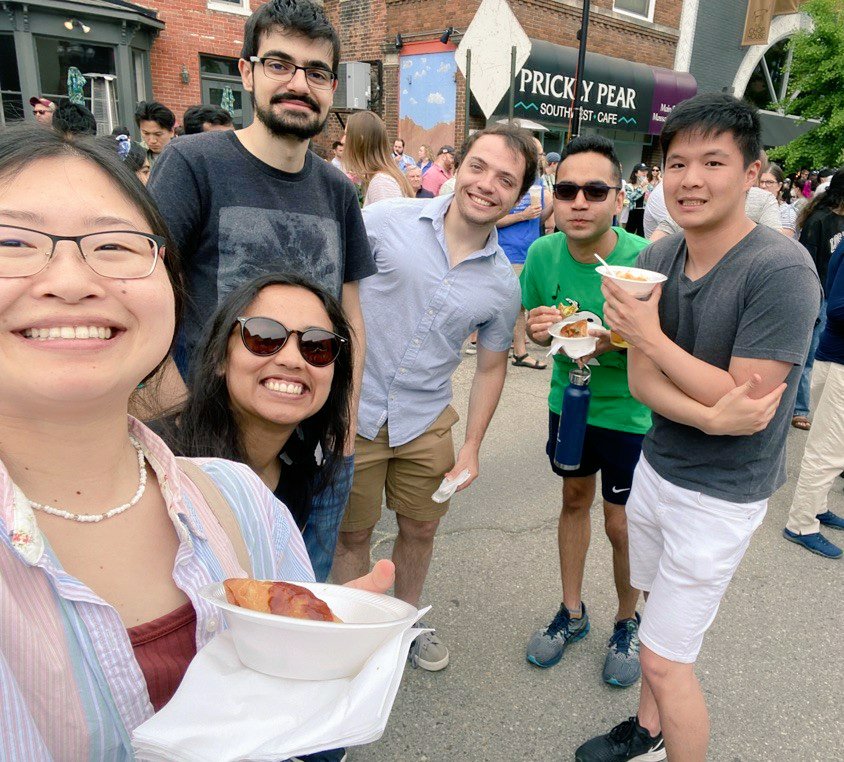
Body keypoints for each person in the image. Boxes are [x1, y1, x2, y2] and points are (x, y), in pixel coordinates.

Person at [0, 124, 394, 760]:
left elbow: (278, 710)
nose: (70, 280)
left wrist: (319, 660)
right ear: (216, 350)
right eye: (12, 242)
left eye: (115, 245)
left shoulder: (243, 501)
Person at [575, 93, 820, 762]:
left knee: (663, 661)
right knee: (652, 610)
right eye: (677, 163)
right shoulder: (659, 258)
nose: (690, 179)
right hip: (657, 467)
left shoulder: (780, 270)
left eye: (713, 162)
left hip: (721, 495)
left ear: (752, 173)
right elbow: (645, 383)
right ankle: (647, 733)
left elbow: (751, 403)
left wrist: (651, 336)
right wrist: (710, 413)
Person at [148, 0, 376, 583]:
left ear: (331, 88)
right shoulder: (192, 164)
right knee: (210, 602)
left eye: (316, 71)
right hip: (205, 449)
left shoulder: (336, 190)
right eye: (280, 64)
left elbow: (349, 314)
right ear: (247, 73)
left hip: (314, 449)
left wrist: (344, 425)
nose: (299, 84)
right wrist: (181, 426)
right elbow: (145, 294)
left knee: (300, 593)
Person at [332, 123, 531, 671]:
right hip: (353, 413)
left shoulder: (502, 284)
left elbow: (491, 366)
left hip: (425, 419)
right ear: (456, 167)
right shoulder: (383, 221)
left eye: (506, 180)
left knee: (420, 528)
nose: (487, 185)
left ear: (519, 195)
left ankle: (405, 621)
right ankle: (353, 634)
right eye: (478, 167)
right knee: (352, 534)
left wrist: (472, 446)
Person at [522, 135, 651, 687]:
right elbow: (536, 326)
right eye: (567, 189)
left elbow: (666, 343)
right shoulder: (541, 254)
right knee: (573, 500)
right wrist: (536, 330)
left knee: (622, 522)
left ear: (619, 199)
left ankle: (628, 620)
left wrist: (613, 340)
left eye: (595, 191)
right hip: (569, 403)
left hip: (630, 412)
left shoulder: (644, 261)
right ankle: (572, 612)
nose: (579, 202)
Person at [157, 273, 352, 539]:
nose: (292, 360)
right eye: (263, 336)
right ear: (220, 358)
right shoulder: (154, 467)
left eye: (317, 346)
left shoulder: (298, 478)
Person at [783, 237, 844, 558]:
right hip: (839, 362)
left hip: (835, 358)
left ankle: (816, 507)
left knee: (829, 446)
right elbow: (837, 307)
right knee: (829, 451)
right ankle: (801, 523)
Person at [791, 169, 844, 431]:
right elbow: (806, 262)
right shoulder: (819, 220)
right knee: (808, 354)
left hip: (836, 297)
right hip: (820, 295)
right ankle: (799, 408)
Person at [497, 136, 554, 371]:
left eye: (541, 153)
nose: (540, 157)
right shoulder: (509, 180)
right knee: (513, 305)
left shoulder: (537, 182)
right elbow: (494, 220)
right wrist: (522, 215)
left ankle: (516, 352)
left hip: (530, 251)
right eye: (537, 153)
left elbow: (537, 219)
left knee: (520, 305)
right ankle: (514, 353)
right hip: (509, 252)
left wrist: (552, 205)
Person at [344, 111, 414, 205]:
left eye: (347, 135)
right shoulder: (380, 179)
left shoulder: (381, 183)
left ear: (360, 140)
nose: (343, 141)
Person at [759, 163, 796, 237]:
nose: (763, 186)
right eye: (761, 181)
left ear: (779, 186)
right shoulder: (752, 206)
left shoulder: (786, 213)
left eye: (769, 182)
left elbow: (783, 242)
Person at [134, 101, 176, 166]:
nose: (152, 141)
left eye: (158, 134)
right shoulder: (134, 154)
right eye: (146, 133)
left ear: (171, 131)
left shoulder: (183, 154)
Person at [624, 164, 649, 236]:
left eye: (645, 170)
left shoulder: (648, 186)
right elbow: (631, 198)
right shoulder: (629, 186)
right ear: (636, 173)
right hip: (633, 213)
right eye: (642, 170)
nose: (644, 172)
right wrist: (641, 186)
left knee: (642, 236)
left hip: (644, 213)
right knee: (629, 235)